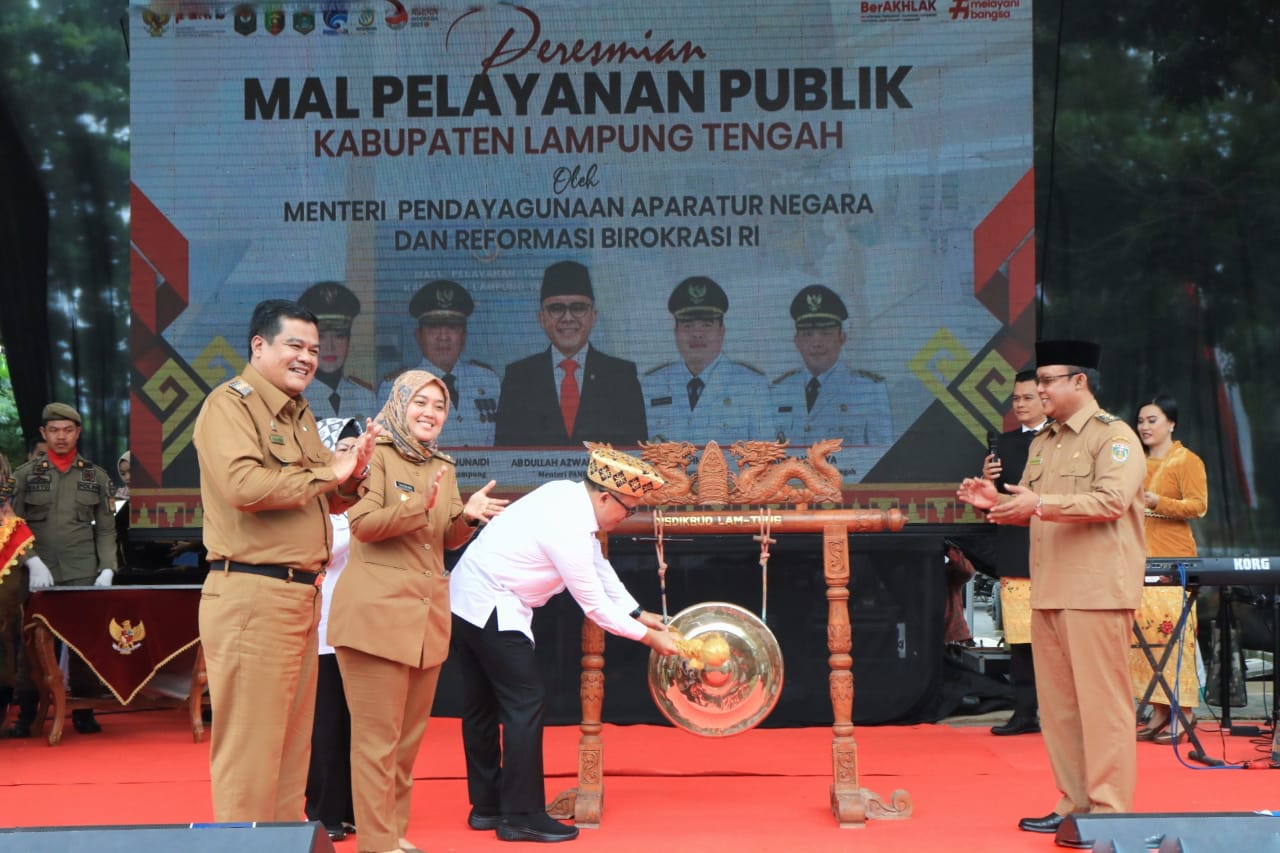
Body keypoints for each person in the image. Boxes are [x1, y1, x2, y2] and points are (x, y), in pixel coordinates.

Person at [193, 298, 379, 822]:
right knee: (251, 751)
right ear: (259, 345)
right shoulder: (230, 404)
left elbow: (328, 495)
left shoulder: (298, 414)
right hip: (252, 593)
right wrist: (333, 473)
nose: (307, 358)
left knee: (292, 750)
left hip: (300, 596)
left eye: (314, 350)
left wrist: (356, 471)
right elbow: (244, 486)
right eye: (294, 345)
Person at [956, 340, 1145, 833]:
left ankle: (1110, 813)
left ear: (1079, 382)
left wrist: (1036, 505)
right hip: (1051, 588)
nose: (1037, 391)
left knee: (1103, 708)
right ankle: (1075, 804)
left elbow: (1109, 501)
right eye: (1036, 382)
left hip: (1097, 591)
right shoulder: (1043, 441)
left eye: (1046, 381)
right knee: (1060, 710)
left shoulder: (1114, 436)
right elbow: (1035, 509)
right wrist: (994, 503)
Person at [449, 445, 680, 843]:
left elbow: (598, 565)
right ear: (606, 496)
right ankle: (521, 815)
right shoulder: (567, 523)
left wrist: (639, 613)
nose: (628, 517)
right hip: (492, 604)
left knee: (483, 706)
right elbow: (592, 604)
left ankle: (487, 807)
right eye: (629, 508)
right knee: (523, 704)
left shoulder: (567, 495)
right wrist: (650, 639)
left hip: (466, 599)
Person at [328, 370, 506, 853]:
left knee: (404, 749)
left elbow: (445, 537)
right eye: (420, 403)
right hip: (375, 619)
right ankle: (376, 844)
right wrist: (417, 508)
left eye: (439, 406)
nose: (430, 413)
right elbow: (361, 524)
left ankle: (393, 836)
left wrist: (467, 516)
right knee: (375, 746)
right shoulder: (375, 456)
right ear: (399, 403)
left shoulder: (442, 465)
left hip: (424, 624)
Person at [5, 402, 118, 736]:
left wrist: (108, 567)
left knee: (86, 643)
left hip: (82, 570)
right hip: (36, 572)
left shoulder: (94, 476)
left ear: (78, 433)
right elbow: (11, 524)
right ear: (43, 433)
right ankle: (27, 712)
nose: (61, 437)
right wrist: (31, 560)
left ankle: (84, 709)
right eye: (53, 430)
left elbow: (106, 529)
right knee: (32, 644)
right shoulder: (24, 476)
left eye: (68, 430)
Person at [495, 260, 647, 446]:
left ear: (593, 317)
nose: (567, 318)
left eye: (578, 308)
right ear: (542, 318)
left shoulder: (621, 376)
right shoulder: (518, 378)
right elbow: (505, 455)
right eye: (556, 308)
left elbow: (636, 456)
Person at [1131, 394, 1206, 744]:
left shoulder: (1186, 461)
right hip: (1136, 555)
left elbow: (1198, 507)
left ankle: (1184, 712)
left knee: (1173, 635)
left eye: (1152, 420)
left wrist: (1157, 502)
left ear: (1171, 423)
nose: (1144, 427)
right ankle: (1160, 711)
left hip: (1174, 557)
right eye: (1141, 421)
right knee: (1143, 636)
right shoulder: (1133, 463)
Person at [304, 418, 362, 842]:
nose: (352, 454)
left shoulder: (360, 497)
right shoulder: (312, 502)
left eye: (355, 447)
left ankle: (353, 809)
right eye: (343, 447)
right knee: (325, 725)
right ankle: (323, 814)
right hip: (322, 629)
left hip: (360, 630)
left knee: (354, 724)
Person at [981, 369, 1047, 736]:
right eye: (1016, 399)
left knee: (1063, 642)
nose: (1020, 405)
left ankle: (1067, 716)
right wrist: (986, 481)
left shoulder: (1061, 440)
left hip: (1059, 551)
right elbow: (988, 508)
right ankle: (1024, 713)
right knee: (1021, 641)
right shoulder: (1001, 445)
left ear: (1044, 399)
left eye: (1028, 398)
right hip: (1016, 552)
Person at [641, 276, 769, 445]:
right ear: (676, 331)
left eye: (707, 325)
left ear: (721, 331)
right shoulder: (651, 385)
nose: (697, 334)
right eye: (688, 325)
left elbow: (767, 460)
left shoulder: (752, 386)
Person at [770, 284, 892, 451]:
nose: (816, 343)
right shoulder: (778, 391)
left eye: (826, 333)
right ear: (796, 341)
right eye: (807, 334)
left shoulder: (869, 391)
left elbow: (882, 459)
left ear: (842, 338)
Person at [379, 279, 499, 447]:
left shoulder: (488, 381)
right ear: (418, 336)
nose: (443, 336)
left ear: (464, 336)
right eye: (434, 327)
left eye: (452, 327)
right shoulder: (396, 388)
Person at [298, 281, 377, 420]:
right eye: (320, 337)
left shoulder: (365, 398)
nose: (330, 346)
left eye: (339, 336)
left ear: (349, 340)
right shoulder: (294, 397)